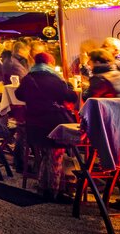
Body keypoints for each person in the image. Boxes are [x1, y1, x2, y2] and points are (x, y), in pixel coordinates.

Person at [15, 51, 78, 201]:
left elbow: (19, 95)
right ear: (50, 63)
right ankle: (54, 191)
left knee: (45, 155)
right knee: (55, 156)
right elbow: (71, 96)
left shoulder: (28, 78)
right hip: (53, 123)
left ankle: (43, 186)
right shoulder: (55, 80)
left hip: (34, 124)